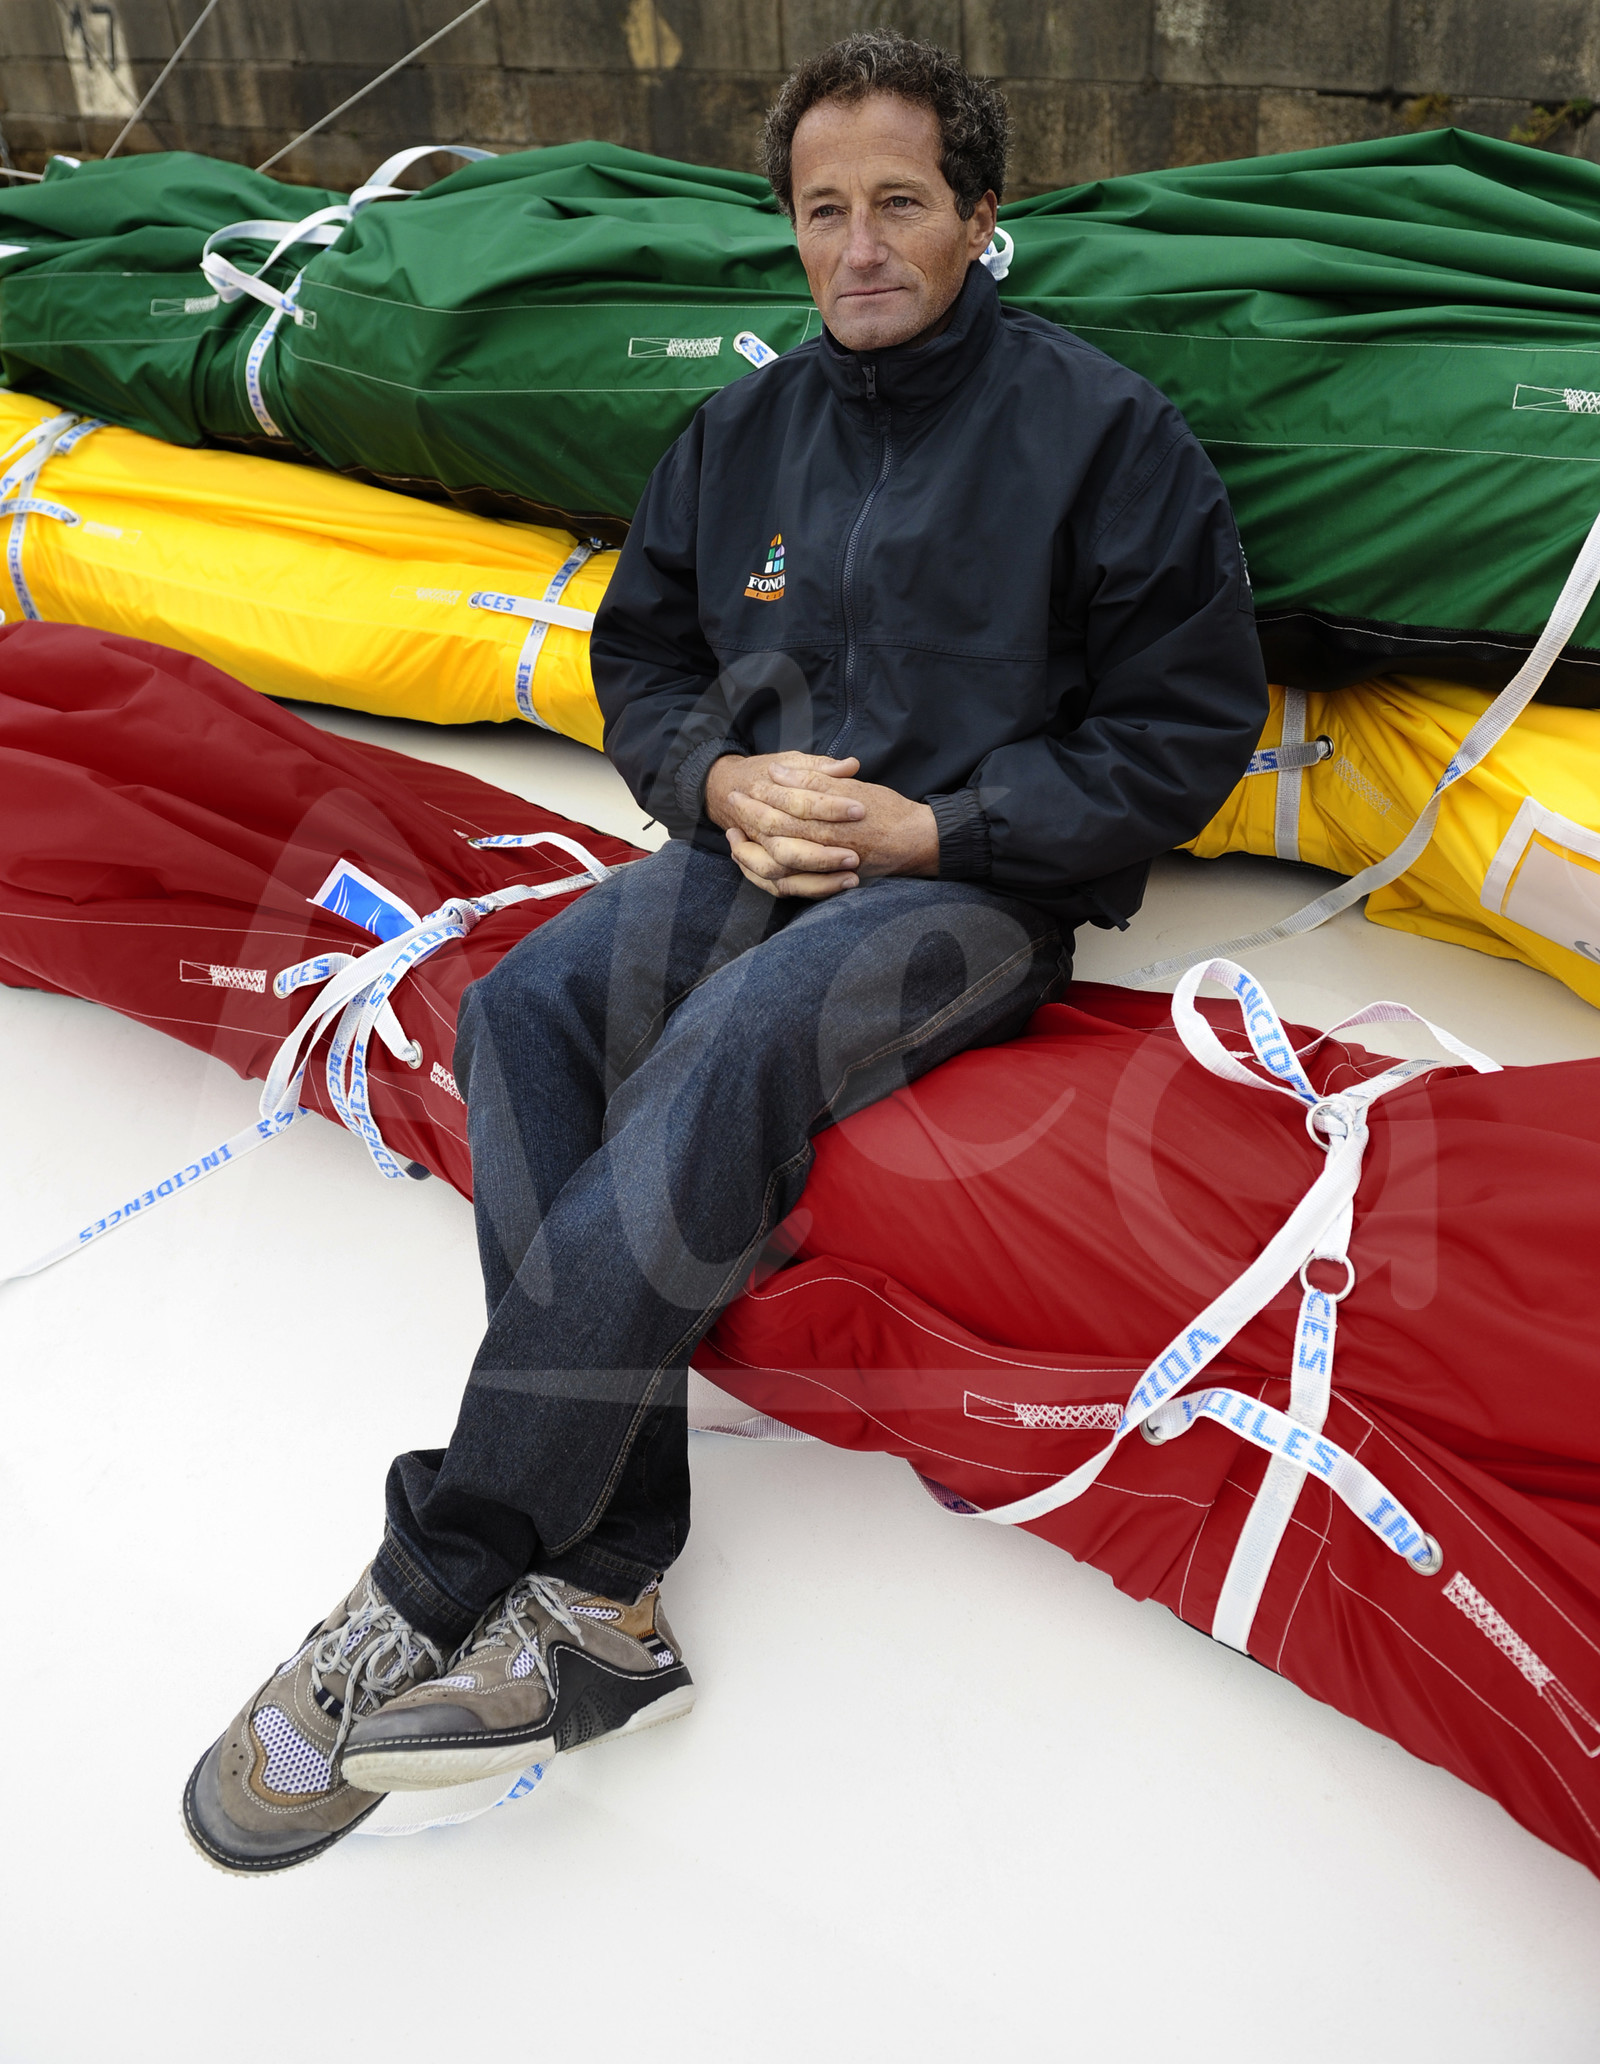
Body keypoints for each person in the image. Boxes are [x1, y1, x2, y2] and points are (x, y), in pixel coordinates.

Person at [183, 30, 1269, 1874]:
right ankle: (610, 1583)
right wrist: (714, 780)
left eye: (900, 204)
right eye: (824, 210)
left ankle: (439, 1572)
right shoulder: (743, 433)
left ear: (979, 215)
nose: (860, 246)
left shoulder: (1103, 436)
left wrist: (944, 829)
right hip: (746, 848)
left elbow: (1185, 728)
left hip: (971, 890)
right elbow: (645, 661)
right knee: (528, 1010)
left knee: (727, 1047)